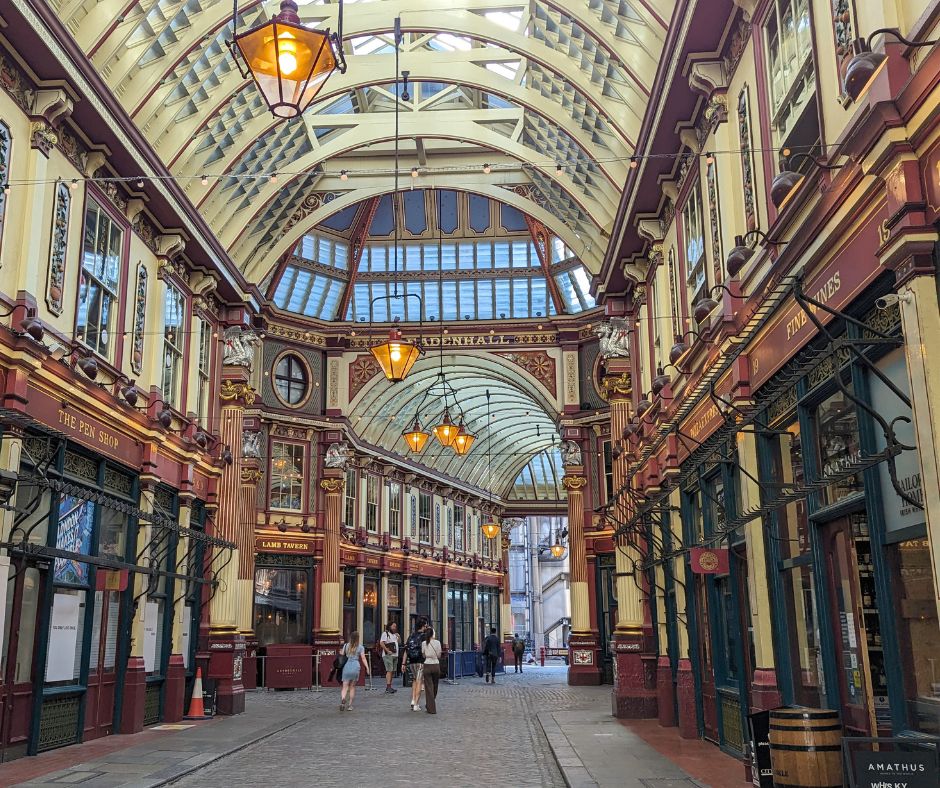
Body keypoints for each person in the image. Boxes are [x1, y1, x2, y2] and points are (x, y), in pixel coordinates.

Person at [339, 630, 369, 712]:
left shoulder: (346, 646)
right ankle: (349, 705)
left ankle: (343, 699)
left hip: (347, 666)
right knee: (352, 687)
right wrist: (367, 667)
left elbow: (341, 655)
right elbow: (363, 658)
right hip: (355, 666)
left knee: (345, 686)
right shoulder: (360, 647)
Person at [402, 618, 427, 711]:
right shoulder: (424, 636)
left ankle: (413, 699)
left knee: (414, 680)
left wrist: (403, 663)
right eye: (425, 626)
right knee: (419, 681)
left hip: (411, 661)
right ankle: (416, 703)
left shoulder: (411, 636)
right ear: (423, 626)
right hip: (420, 661)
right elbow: (425, 650)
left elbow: (406, 650)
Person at [421, 626, 443, 714]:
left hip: (427, 665)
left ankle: (430, 706)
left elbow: (423, 655)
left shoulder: (424, 643)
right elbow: (439, 655)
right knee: (435, 686)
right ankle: (431, 705)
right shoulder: (437, 643)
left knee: (428, 687)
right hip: (435, 665)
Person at [379, 621, 400, 694]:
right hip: (388, 655)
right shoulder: (385, 633)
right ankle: (388, 687)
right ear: (390, 626)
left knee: (392, 671)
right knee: (389, 670)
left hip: (395, 655)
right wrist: (387, 650)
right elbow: (381, 643)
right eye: (393, 626)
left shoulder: (394, 635)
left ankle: (390, 686)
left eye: (395, 627)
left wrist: (398, 637)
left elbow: (397, 643)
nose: (395, 628)